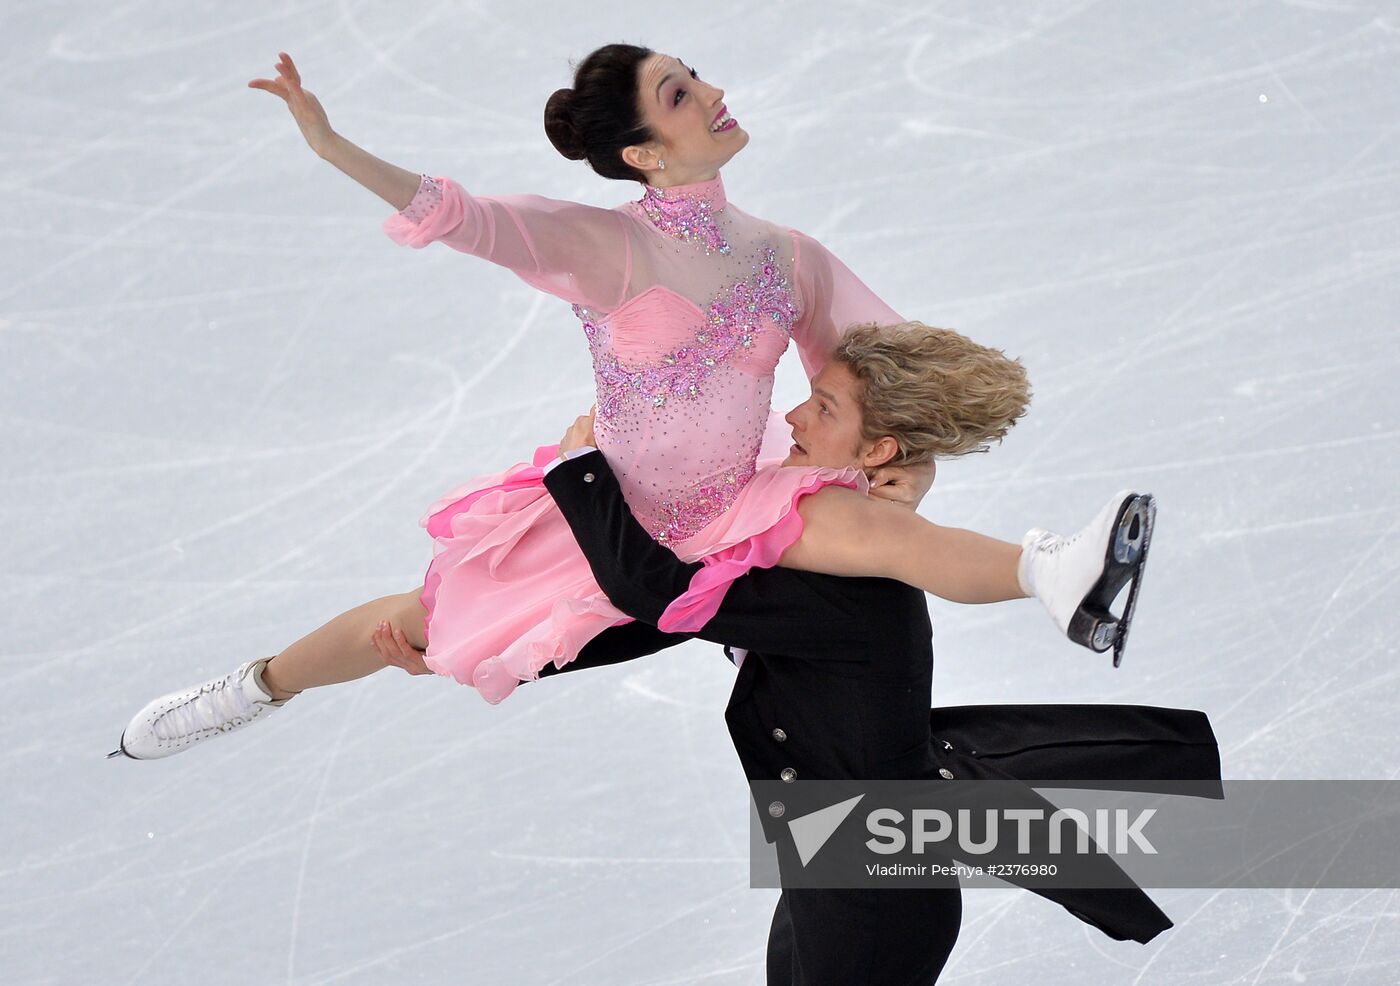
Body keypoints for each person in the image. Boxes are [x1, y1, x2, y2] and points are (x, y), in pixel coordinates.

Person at [108, 46, 1151, 761]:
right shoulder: (608, 249)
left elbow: (879, 374)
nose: (710, 92)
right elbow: (468, 217)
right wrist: (333, 146)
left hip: (732, 509)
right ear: (643, 152)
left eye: (693, 75)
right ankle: (252, 687)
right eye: (678, 93)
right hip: (603, 520)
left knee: (877, 534)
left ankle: (1052, 573)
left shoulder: (786, 257)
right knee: (419, 624)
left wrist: (907, 466)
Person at [523, 322, 1219, 982]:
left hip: (872, 895)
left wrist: (585, 474)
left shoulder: (843, 587)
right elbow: (667, 619)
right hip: (833, 865)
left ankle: (1056, 573)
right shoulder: (817, 547)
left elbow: (659, 594)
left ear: (878, 451)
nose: (794, 417)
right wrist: (493, 657)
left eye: (823, 408)